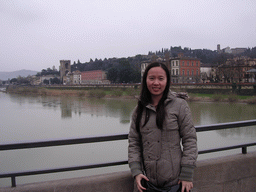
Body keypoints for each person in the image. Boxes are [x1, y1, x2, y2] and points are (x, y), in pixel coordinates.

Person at [128, 62, 197, 192]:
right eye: (151, 78)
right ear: (145, 80)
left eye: (161, 78)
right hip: (146, 183)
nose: (156, 83)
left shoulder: (180, 105)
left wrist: (187, 174)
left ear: (167, 81)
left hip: (176, 182)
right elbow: (134, 143)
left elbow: (190, 140)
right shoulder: (139, 110)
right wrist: (136, 171)